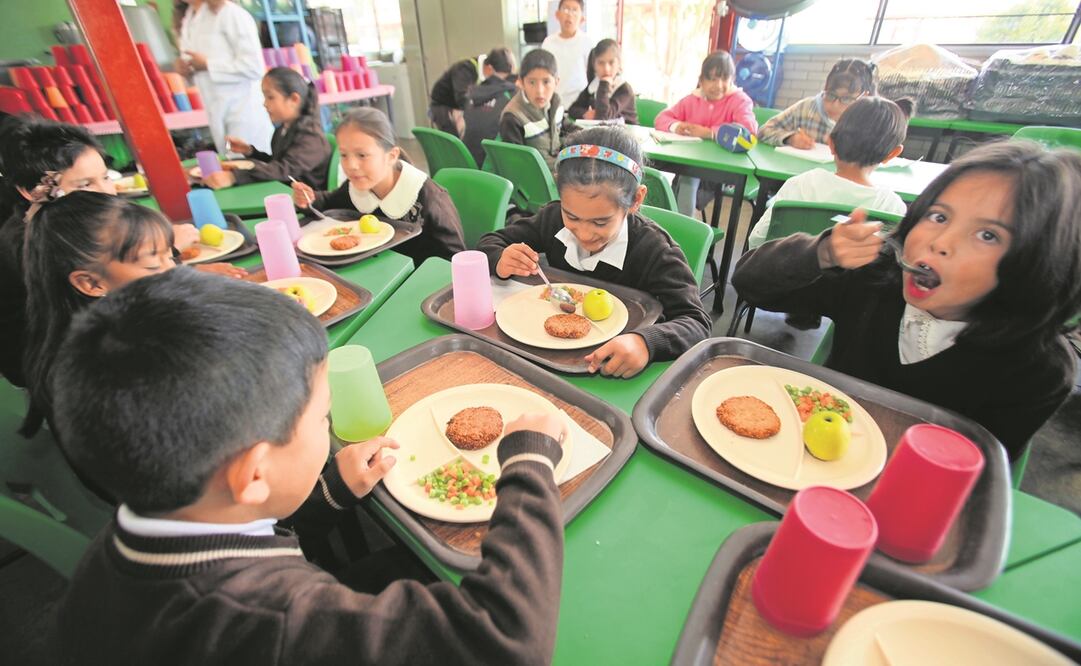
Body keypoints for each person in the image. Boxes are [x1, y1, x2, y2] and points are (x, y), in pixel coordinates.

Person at [54, 267, 570, 664]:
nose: (327, 427)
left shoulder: (140, 533)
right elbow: (507, 639)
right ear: (254, 472)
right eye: (322, 417)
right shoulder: (276, 619)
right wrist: (528, 458)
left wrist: (333, 491)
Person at [731, 140, 1081, 460]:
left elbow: (980, 471)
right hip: (808, 453)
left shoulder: (1039, 368)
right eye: (938, 216)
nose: (940, 241)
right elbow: (750, 282)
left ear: (1037, 265)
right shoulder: (874, 276)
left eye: (987, 235)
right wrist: (819, 253)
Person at [477, 127, 711, 378]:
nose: (585, 234)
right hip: (542, 358)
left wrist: (646, 342)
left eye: (600, 222)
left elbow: (696, 322)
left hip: (613, 369)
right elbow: (491, 241)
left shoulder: (655, 250)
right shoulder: (552, 218)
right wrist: (500, 259)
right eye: (572, 216)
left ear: (635, 200)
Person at [19, 192, 181, 440]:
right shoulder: (113, 367)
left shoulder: (129, 322)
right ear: (91, 283)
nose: (176, 272)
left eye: (171, 257)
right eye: (153, 266)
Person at [291, 107, 465, 265]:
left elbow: (455, 260)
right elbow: (329, 203)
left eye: (362, 155)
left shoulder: (430, 199)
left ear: (391, 156)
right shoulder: (355, 186)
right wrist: (308, 199)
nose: (351, 165)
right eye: (344, 155)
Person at [746, 96, 911, 249]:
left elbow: (756, 240)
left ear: (831, 143)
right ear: (893, 154)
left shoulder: (800, 185)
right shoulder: (893, 207)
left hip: (788, 278)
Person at [654, 51, 758, 216]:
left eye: (724, 79)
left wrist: (711, 133)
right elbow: (661, 118)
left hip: (723, 169)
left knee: (688, 179)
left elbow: (749, 131)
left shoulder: (739, 100)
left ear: (732, 80)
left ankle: (683, 227)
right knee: (683, 178)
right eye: (712, 79)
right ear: (701, 80)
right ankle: (676, 222)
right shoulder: (692, 100)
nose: (718, 85)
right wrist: (676, 126)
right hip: (690, 166)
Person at [203, 67, 332, 190]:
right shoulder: (282, 129)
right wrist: (250, 152)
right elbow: (276, 162)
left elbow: (283, 170)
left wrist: (234, 177)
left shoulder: (311, 137)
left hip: (302, 203)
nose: (265, 104)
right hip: (283, 191)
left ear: (294, 99)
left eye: (270, 97)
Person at [176, 0, 274, 155]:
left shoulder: (232, 14)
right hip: (216, 110)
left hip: (243, 110)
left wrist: (208, 64)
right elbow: (201, 74)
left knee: (248, 166)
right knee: (230, 166)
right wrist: (187, 70)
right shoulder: (189, 19)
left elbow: (254, 67)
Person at [758, 58, 878, 149]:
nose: (835, 105)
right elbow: (764, 131)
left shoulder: (868, 122)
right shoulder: (807, 108)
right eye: (830, 95)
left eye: (846, 99)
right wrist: (790, 138)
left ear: (865, 97)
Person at [500, 49, 571, 172]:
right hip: (538, 181)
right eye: (532, 82)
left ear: (556, 82)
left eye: (546, 82)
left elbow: (566, 128)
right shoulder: (513, 117)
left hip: (560, 169)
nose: (539, 91)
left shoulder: (555, 102)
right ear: (521, 83)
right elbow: (517, 167)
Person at [428, 47, 516, 138]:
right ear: (489, 68)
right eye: (500, 78)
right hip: (444, 107)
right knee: (455, 140)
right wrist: (463, 118)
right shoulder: (465, 69)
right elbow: (462, 97)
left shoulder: (486, 70)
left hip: (458, 105)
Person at [462, 51, 519, 168]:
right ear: (513, 68)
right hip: (495, 170)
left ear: (488, 68)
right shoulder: (515, 96)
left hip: (467, 165)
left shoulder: (470, 94)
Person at [567, 38, 637, 125]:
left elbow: (603, 117)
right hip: (604, 134)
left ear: (619, 63)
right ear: (594, 65)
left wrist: (604, 84)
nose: (606, 69)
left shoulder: (624, 89)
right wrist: (585, 113)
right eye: (601, 63)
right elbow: (572, 109)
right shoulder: (593, 86)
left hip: (626, 135)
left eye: (611, 63)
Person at [542, 0, 591, 105]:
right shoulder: (548, 42)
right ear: (557, 15)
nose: (569, 14)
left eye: (575, 10)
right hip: (553, 102)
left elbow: (592, 74)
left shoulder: (587, 42)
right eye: (566, 9)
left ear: (582, 18)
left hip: (579, 104)